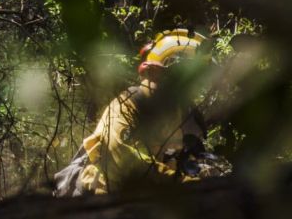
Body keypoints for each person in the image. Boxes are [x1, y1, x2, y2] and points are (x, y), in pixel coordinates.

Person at [54, 28, 222, 196]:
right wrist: (183, 183)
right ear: (152, 72)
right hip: (99, 195)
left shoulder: (181, 114)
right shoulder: (126, 105)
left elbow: (186, 157)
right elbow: (122, 160)